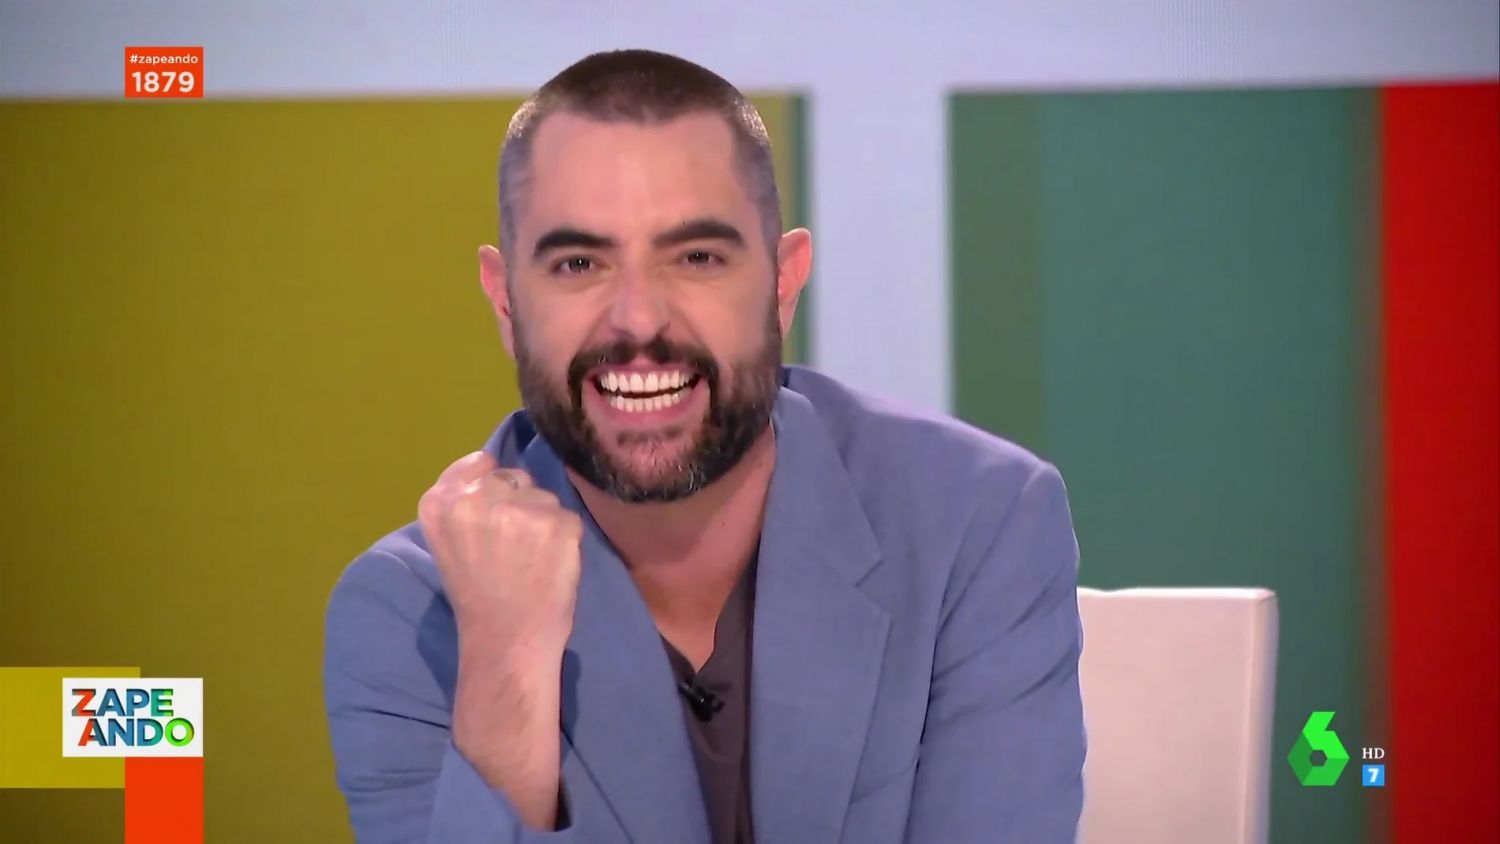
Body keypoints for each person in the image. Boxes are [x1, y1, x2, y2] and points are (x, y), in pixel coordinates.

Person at [323, 48, 1086, 844]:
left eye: (696, 258)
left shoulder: (976, 524)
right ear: (506, 301)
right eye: (579, 263)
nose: (639, 319)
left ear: (783, 282)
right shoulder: (409, 612)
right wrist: (506, 664)